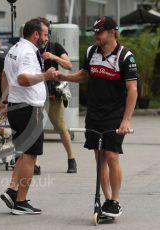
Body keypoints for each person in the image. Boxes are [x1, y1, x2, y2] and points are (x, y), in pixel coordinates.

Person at [55, 16, 138, 218]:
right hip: (94, 112)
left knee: (111, 155)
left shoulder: (125, 57)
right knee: (98, 156)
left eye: (99, 33)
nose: (96, 36)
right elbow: (85, 74)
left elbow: (133, 90)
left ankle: (115, 201)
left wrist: (126, 120)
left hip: (115, 114)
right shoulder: (91, 52)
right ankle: (107, 199)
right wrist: (64, 77)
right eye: (94, 32)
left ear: (111, 32)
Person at [0, 17, 56, 215]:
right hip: (28, 108)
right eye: (45, 34)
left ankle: (13, 191)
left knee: (23, 153)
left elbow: (6, 76)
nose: (46, 38)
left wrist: (5, 103)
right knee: (31, 156)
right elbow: (23, 78)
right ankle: (21, 202)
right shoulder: (27, 52)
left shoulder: (14, 49)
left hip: (18, 105)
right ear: (36, 34)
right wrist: (45, 76)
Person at [34, 19, 77, 175]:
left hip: (52, 92)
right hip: (35, 92)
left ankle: (71, 158)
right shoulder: (30, 48)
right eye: (40, 32)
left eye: (45, 33)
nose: (43, 36)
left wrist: (53, 57)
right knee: (36, 127)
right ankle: (36, 163)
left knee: (60, 126)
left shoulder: (55, 47)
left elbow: (69, 65)